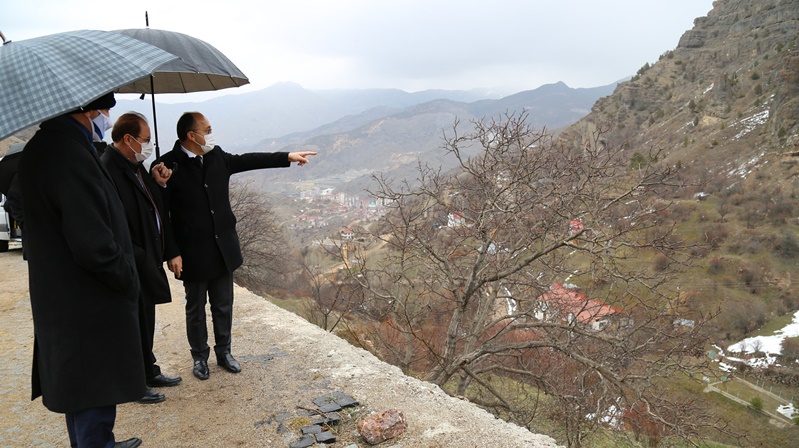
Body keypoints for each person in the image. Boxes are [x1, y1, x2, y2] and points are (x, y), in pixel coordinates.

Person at [18, 92, 144, 448]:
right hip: (85, 300)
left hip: (70, 297)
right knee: (91, 387)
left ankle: (98, 442)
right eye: (103, 111)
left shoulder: (50, 146)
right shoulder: (66, 153)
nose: (104, 118)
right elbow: (92, 242)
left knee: (85, 391)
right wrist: (127, 278)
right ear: (87, 110)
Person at [154, 112, 316, 380]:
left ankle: (224, 352)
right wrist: (172, 252)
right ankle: (199, 357)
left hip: (222, 247)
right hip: (192, 251)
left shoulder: (216, 155)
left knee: (223, 305)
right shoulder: (168, 166)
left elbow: (248, 160)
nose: (211, 133)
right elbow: (163, 214)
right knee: (195, 308)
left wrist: (287, 157)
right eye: (207, 129)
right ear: (192, 136)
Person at [100, 112, 184, 405]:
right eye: (145, 140)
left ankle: (148, 371)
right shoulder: (108, 169)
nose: (148, 146)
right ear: (128, 139)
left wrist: (157, 183)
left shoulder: (135, 165)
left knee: (145, 318)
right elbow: (112, 221)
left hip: (145, 257)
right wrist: (138, 255)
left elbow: (153, 208)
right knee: (132, 323)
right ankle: (135, 383)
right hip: (131, 259)